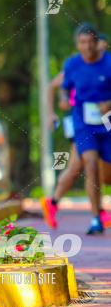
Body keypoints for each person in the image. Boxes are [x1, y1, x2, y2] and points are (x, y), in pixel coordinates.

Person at [43, 24, 111, 234]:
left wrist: (109, 103)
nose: (89, 46)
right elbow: (59, 88)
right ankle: (95, 218)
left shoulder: (108, 63)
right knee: (87, 163)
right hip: (81, 122)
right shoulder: (72, 65)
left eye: (92, 42)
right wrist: (56, 109)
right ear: (78, 44)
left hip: (108, 121)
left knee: (102, 174)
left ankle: (55, 202)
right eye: (83, 42)